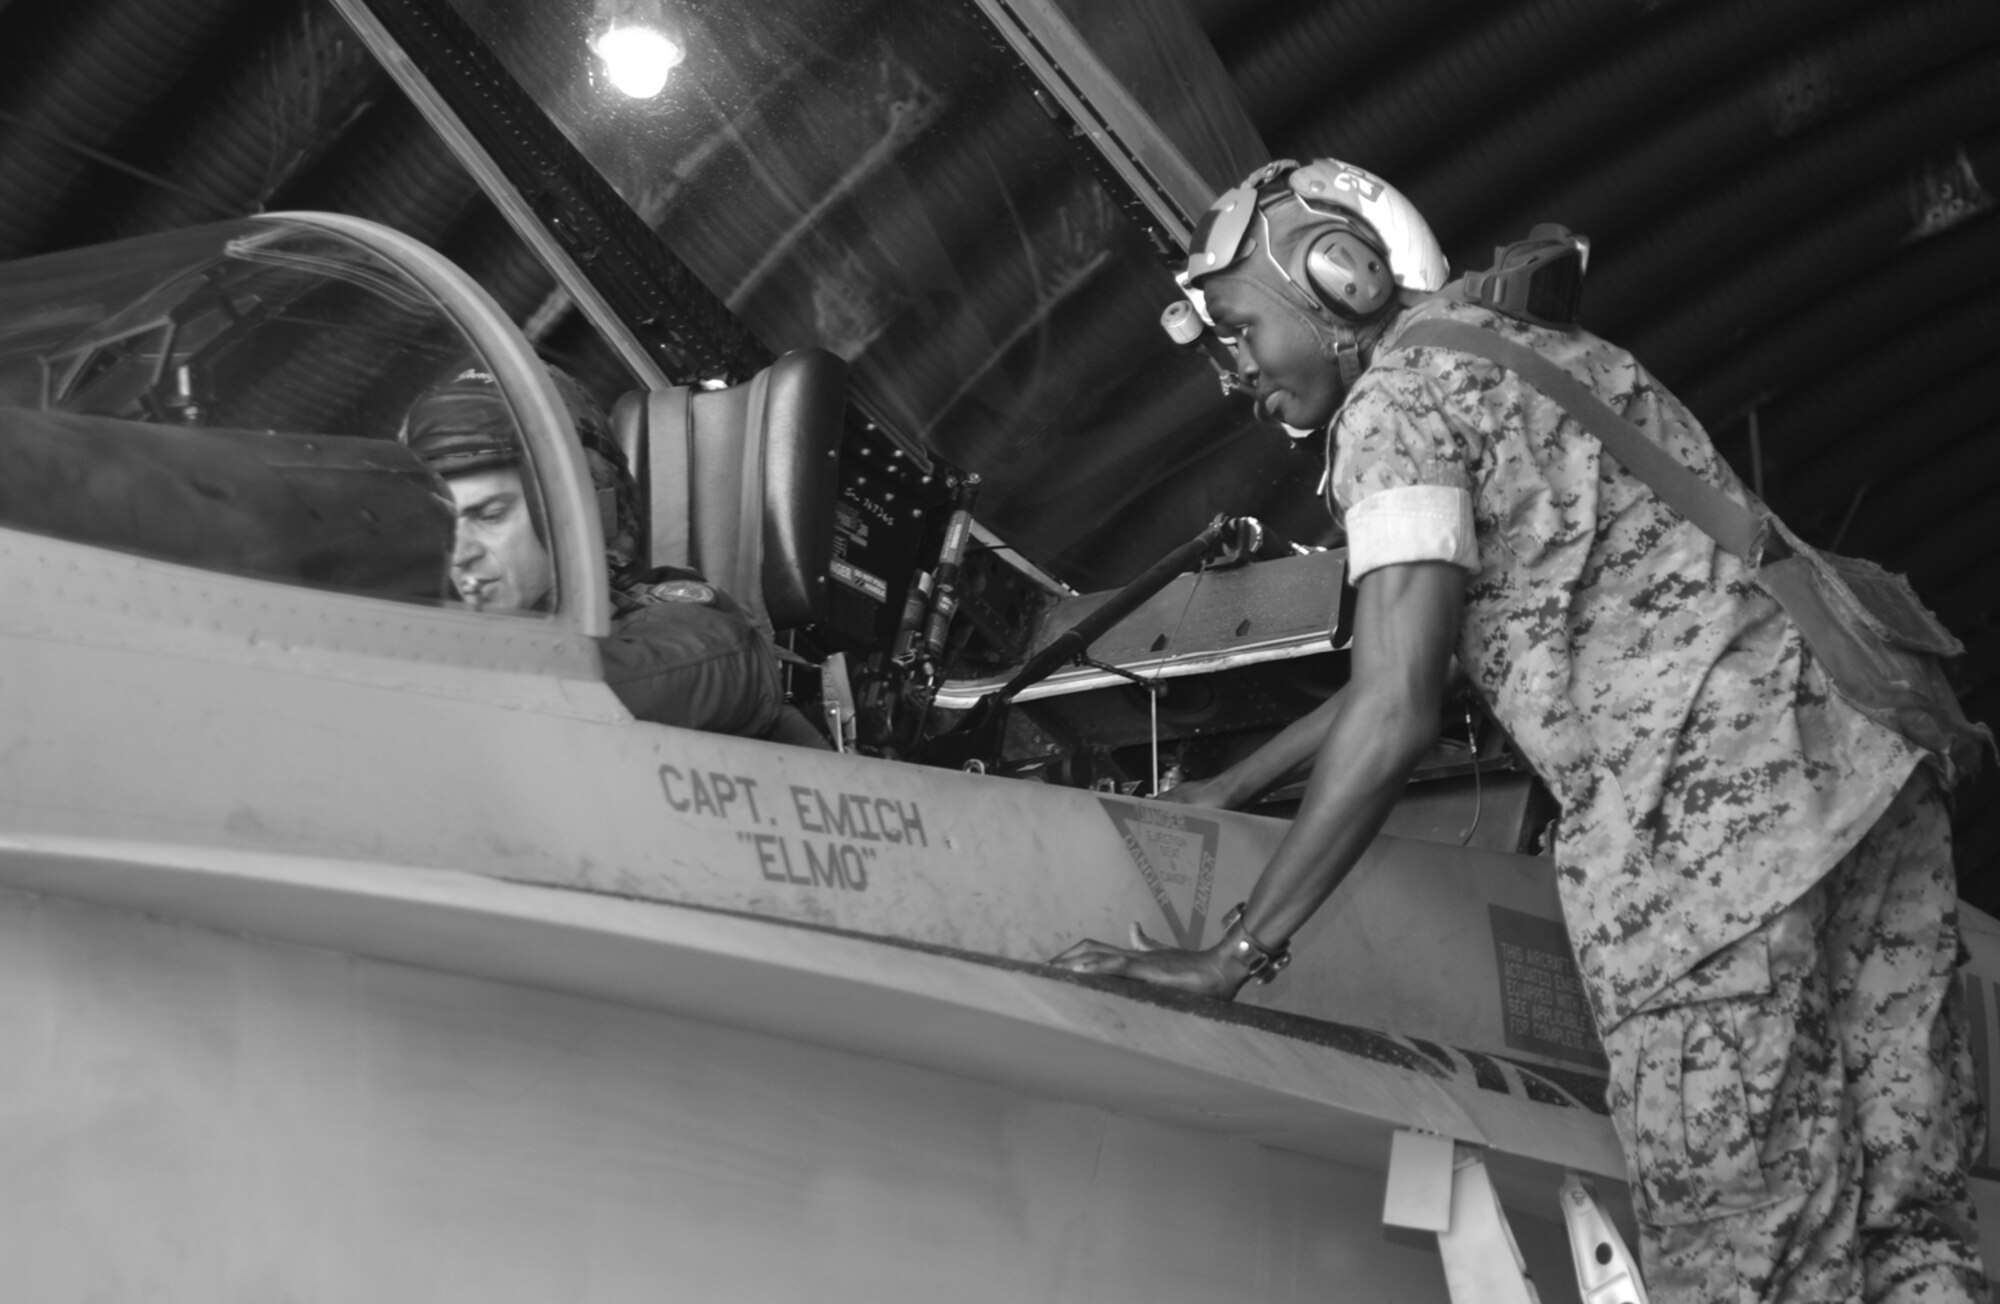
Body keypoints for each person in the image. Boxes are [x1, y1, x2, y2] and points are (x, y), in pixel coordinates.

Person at [1052, 158, 1986, 1304]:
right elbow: (1421, 665)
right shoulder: (1527, 345)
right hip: (1865, 785)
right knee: (1909, 1239)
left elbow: (1395, 707)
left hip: (1710, 847)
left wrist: (1230, 955)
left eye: (1239, 327)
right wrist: (1228, 787)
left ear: (1332, 277)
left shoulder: (1394, 409)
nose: (1234, 371)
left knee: (1749, 1256)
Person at [403, 364, 803, 743]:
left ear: (573, 511)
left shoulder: (698, 636)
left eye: (490, 515)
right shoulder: (448, 644)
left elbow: (611, 683)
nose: (461, 553)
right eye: (443, 524)